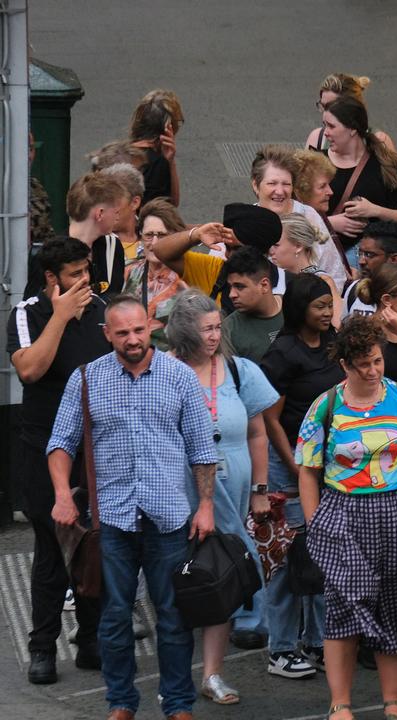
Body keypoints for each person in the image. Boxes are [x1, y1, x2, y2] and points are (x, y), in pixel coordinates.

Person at [47, 294, 218, 720]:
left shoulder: (179, 377)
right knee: (114, 617)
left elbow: (201, 449)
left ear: (152, 327)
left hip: (169, 518)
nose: (132, 339)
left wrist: (206, 506)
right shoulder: (85, 379)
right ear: (108, 335)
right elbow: (60, 444)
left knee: (174, 617)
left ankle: (178, 705)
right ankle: (121, 702)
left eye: (138, 330)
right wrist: (63, 496)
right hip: (112, 522)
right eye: (122, 332)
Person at [296, 316, 397, 720]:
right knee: (343, 604)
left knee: (394, 605)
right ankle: (340, 702)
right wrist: (315, 525)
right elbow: (307, 470)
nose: (373, 370)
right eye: (363, 363)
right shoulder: (326, 405)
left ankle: (392, 700)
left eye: (377, 361)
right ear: (344, 365)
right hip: (343, 513)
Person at [165, 290, 279, 705]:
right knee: (178, 571)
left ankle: (216, 669)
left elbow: (257, 433)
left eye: (217, 327)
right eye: (206, 329)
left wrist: (261, 491)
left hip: (232, 482)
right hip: (178, 485)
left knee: (223, 567)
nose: (214, 336)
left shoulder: (237, 371)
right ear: (183, 330)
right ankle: (175, 674)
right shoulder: (165, 370)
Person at [8, 238, 110, 685]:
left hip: (98, 450)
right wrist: (61, 315)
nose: (85, 281)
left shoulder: (104, 310)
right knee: (52, 549)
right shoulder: (27, 313)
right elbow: (30, 369)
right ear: (52, 278)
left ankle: (90, 639)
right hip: (42, 450)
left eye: (86, 270)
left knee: (94, 544)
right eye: (74, 274)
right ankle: (42, 647)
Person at [258, 274, 344, 679]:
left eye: (330, 304)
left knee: (324, 553)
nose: (327, 312)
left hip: (329, 463)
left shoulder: (333, 344)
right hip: (290, 463)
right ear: (299, 310)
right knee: (287, 555)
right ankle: (281, 647)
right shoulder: (282, 353)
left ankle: (317, 640)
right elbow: (270, 418)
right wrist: (293, 464)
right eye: (319, 306)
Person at [321, 96, 397, 254]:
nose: (325, 133)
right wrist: (330, 223)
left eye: (331, 126)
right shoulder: (316, 164)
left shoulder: (388, 166)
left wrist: (375, 210)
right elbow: (295, 217)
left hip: (376, 264)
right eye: (324, 125)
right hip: (327, 258)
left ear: (352, 128)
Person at [252, 145, 348, 288]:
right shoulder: (245, 219)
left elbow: (335, 274)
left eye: (286, 184)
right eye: (272, 183)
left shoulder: (309, 216)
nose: (280, 191)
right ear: (255, 185)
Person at [44, 172, 128, 299]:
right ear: (100, 214)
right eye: (116, 211)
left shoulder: (113, 246)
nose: (118, 217)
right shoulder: (51, 253)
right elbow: (35, 309)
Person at [122, 198, 189, 348]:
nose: (154, 243)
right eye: (149, 235)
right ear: (140, 236)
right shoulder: (128, 271)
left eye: (162, 235)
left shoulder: (188, 274)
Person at [303, 73, 397, 153]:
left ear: (352, 107)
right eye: (323, 106)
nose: (325, 113)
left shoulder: (380, 141)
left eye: (331, 107)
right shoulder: (317, 140)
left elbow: (393, 173)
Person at [221, 250, 286, 364]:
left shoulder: (295, 307)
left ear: (264, 285)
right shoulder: (228, 330)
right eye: (230, 287)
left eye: (239, 287)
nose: (232, 294)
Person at [127, 89, 182, 205]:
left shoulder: (115, 153)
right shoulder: (158, 164)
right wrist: (170, 163)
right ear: (169, 127)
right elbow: (170, 206)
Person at [98, 163, 145, 263]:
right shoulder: (94, 242)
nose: (106, 208)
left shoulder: (154, 238)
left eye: (113, 201)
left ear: (135, 203)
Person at [293, 148, 338, 221]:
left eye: (328, 185)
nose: (330, 192)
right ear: (301, 191)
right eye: (322, 186)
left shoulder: (320, 218)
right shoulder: (296, 228)